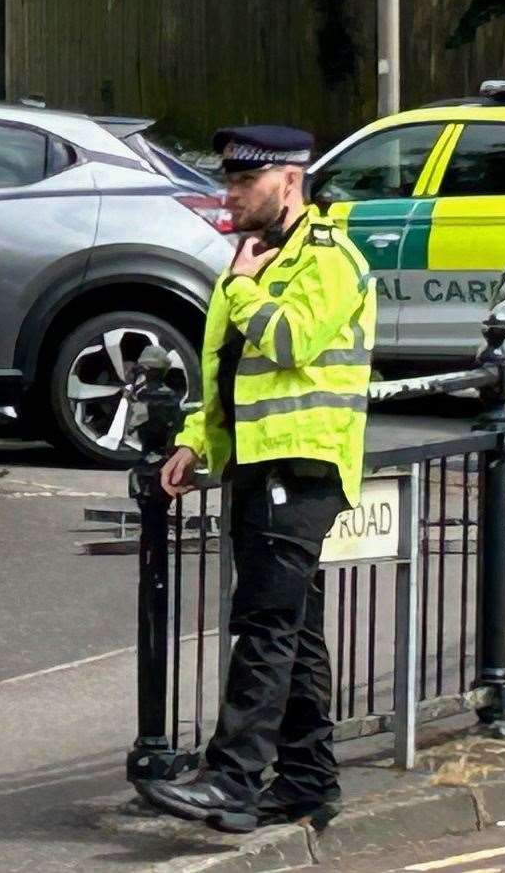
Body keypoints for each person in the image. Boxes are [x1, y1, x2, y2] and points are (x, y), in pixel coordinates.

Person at [143, 125, 376, 833]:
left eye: (246, 182)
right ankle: (306, 780)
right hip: (257, 464)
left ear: (289, 180)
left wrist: (242, 289)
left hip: (299, 467)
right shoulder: (254, 259)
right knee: (294, 631)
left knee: (264, 625)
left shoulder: (326, 259)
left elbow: (287, 342)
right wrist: (192, 440)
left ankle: (232, 779)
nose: (231, 195)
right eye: (229, 181)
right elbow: (224, 370)